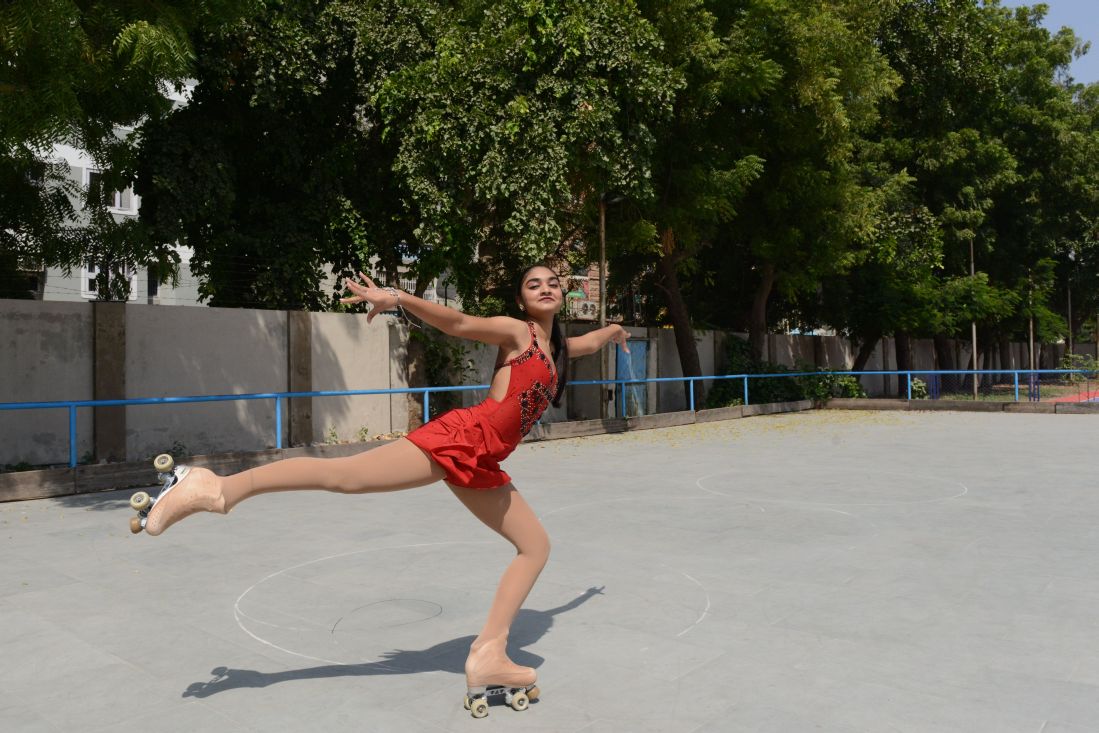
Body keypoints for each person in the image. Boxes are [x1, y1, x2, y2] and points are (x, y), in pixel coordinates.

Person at [129, 263, 629, 717]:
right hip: (461, 438)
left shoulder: (558, 348)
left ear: (563, 295)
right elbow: (457, 324)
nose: (545, 288)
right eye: (533, 284)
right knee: (346, 476)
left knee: (535, 547)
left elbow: (590, 342)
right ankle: (216, 487)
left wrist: (614, 330)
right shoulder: (515, 332)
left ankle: (488, 654)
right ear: (522, 299)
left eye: (553, 283)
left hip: (484, 461)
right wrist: (400, 299)